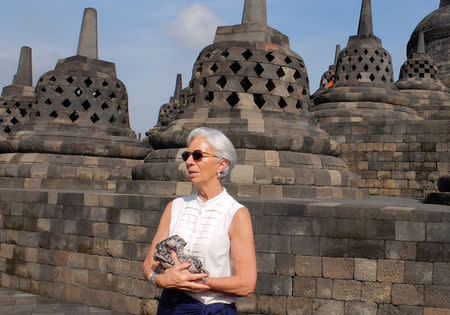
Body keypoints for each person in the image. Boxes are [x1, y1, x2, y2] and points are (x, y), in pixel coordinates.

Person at [143, 127, 257, 314]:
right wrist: (163, 280)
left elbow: (246, 284)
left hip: (212, 309)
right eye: (187, 155)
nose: (189, 162)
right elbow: (149, 265)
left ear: (221, 164)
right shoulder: (175, 207)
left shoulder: (235, 213)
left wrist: (198, 281)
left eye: (197, 155)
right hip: (171, 307)